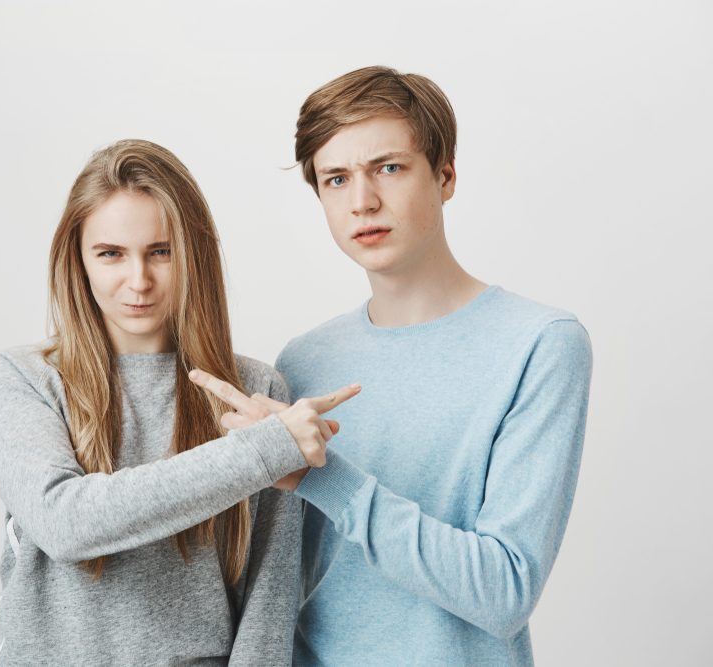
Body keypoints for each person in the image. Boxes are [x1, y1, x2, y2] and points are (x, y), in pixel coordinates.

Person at [189, 67, 593, 666]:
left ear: (446, 175)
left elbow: (505, 591)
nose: (363, 202)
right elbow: (274, 586)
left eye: (389, 167)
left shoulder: (539, 344)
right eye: (336, 179)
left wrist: (321, 476)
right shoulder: (303, 361)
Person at [0, 139, 359, 666]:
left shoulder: (258, 389)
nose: (138, 281)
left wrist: (266, 448)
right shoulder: (24, 379)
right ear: (78, 259)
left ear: (193, 254)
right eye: (111, 254)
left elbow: (269, 604)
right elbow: (66, 523)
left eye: (161, 251)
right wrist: (258, 453)